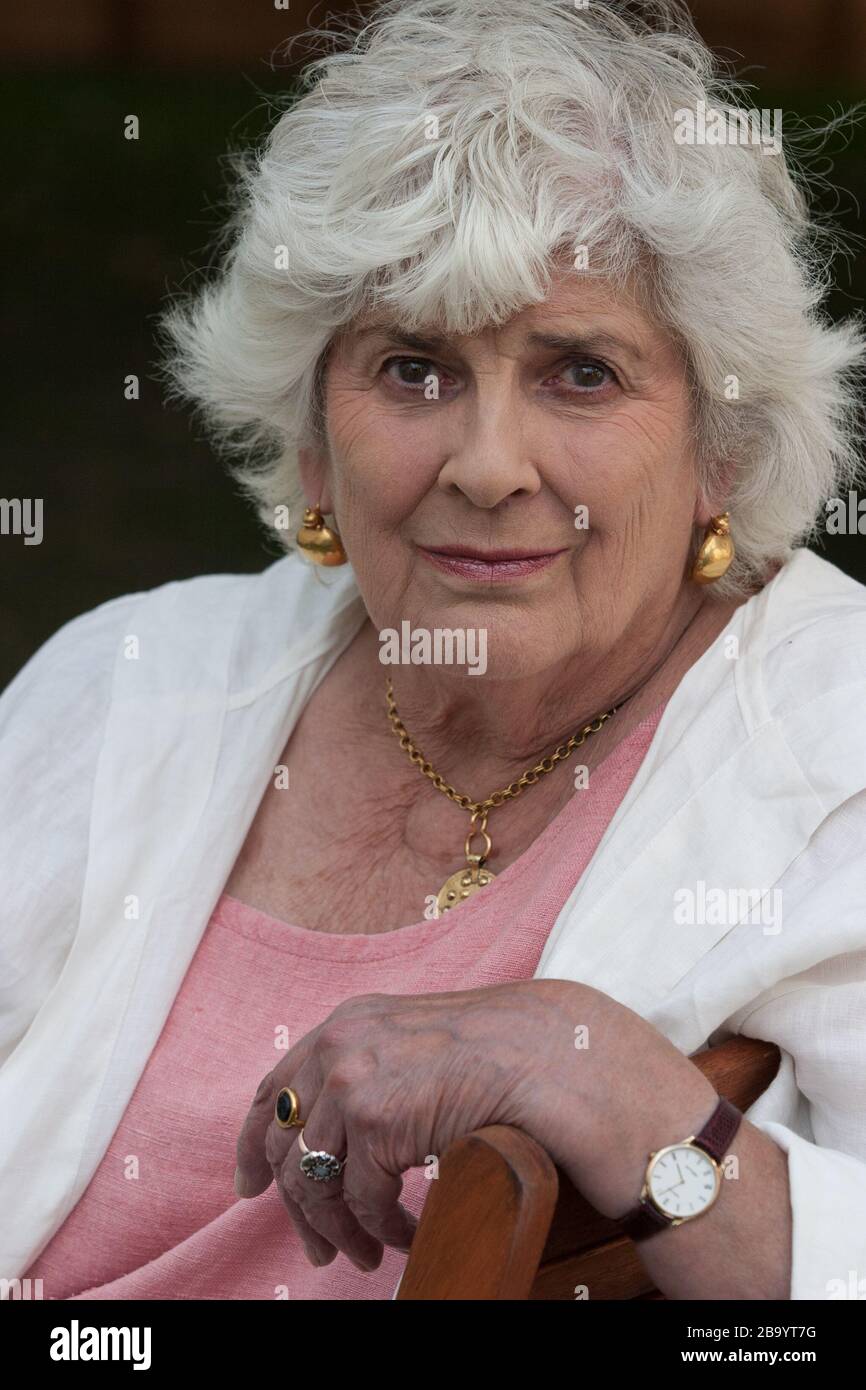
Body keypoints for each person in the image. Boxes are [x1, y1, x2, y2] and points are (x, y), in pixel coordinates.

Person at [2, 0, 866, 1302]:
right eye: (412, 369)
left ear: (719, 450)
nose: (484, 464)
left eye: (579, 370)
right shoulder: (130, 677)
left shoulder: (832, 746)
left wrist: (619, 1096)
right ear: (309, 435)